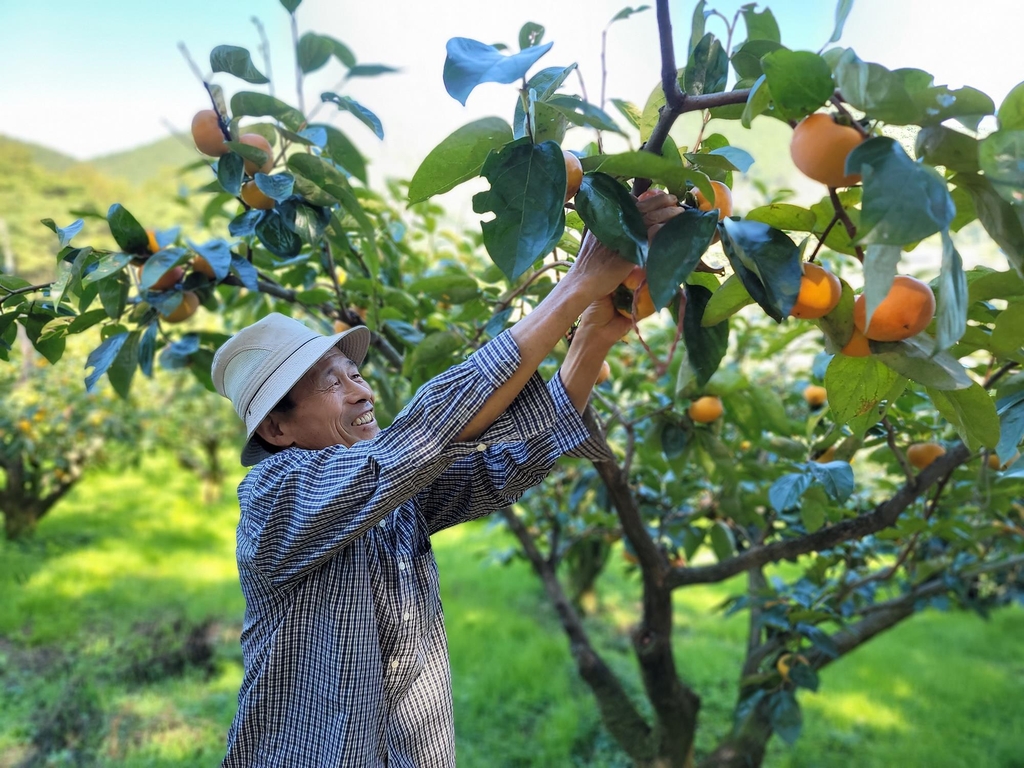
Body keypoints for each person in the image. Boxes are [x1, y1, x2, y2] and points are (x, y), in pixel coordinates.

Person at [211, 192, 682, 766]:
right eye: (331, 384)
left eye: (355, 373)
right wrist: (575, 286)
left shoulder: (390, 495)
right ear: (279, 430)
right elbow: (422, 438)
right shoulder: (273, 499)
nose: (361, 391)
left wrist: (593, 337)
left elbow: (503, 468)